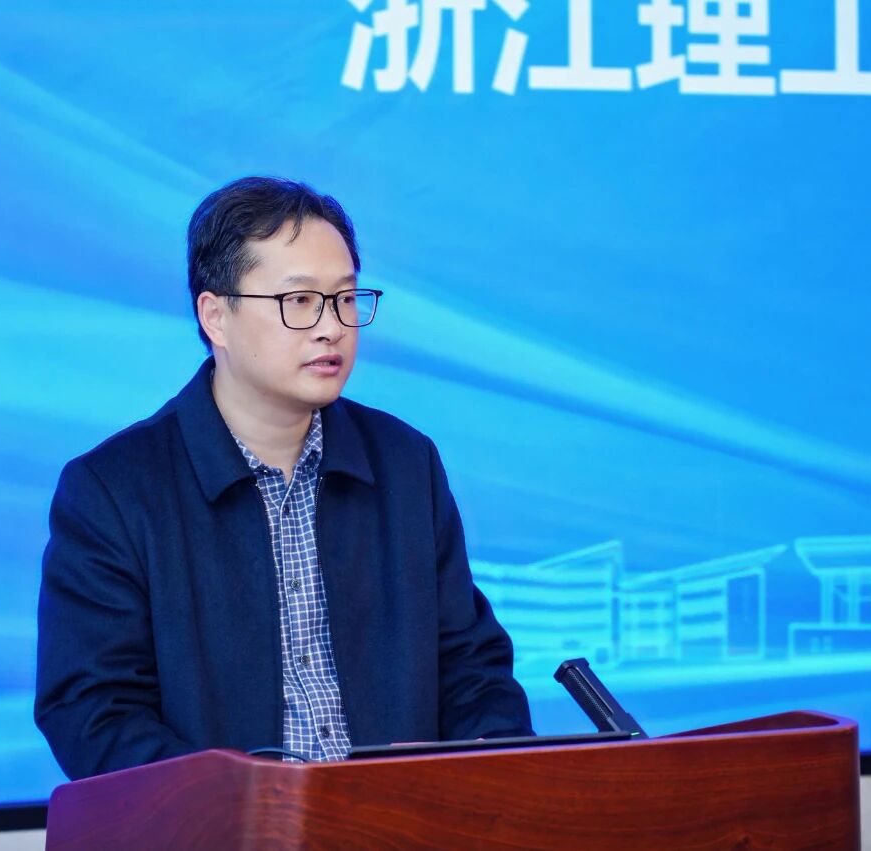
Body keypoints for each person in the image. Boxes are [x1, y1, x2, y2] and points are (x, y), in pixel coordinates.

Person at [34, 176, 533, 780]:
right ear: (215, 316)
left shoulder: (405, 464)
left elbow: (471, 669)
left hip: (402, 819)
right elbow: (94, 712)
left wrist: (485, 772)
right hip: (225, 825)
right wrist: (247, 806)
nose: (332, 327)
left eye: (345, 298)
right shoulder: (113, 491)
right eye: (299, 300)